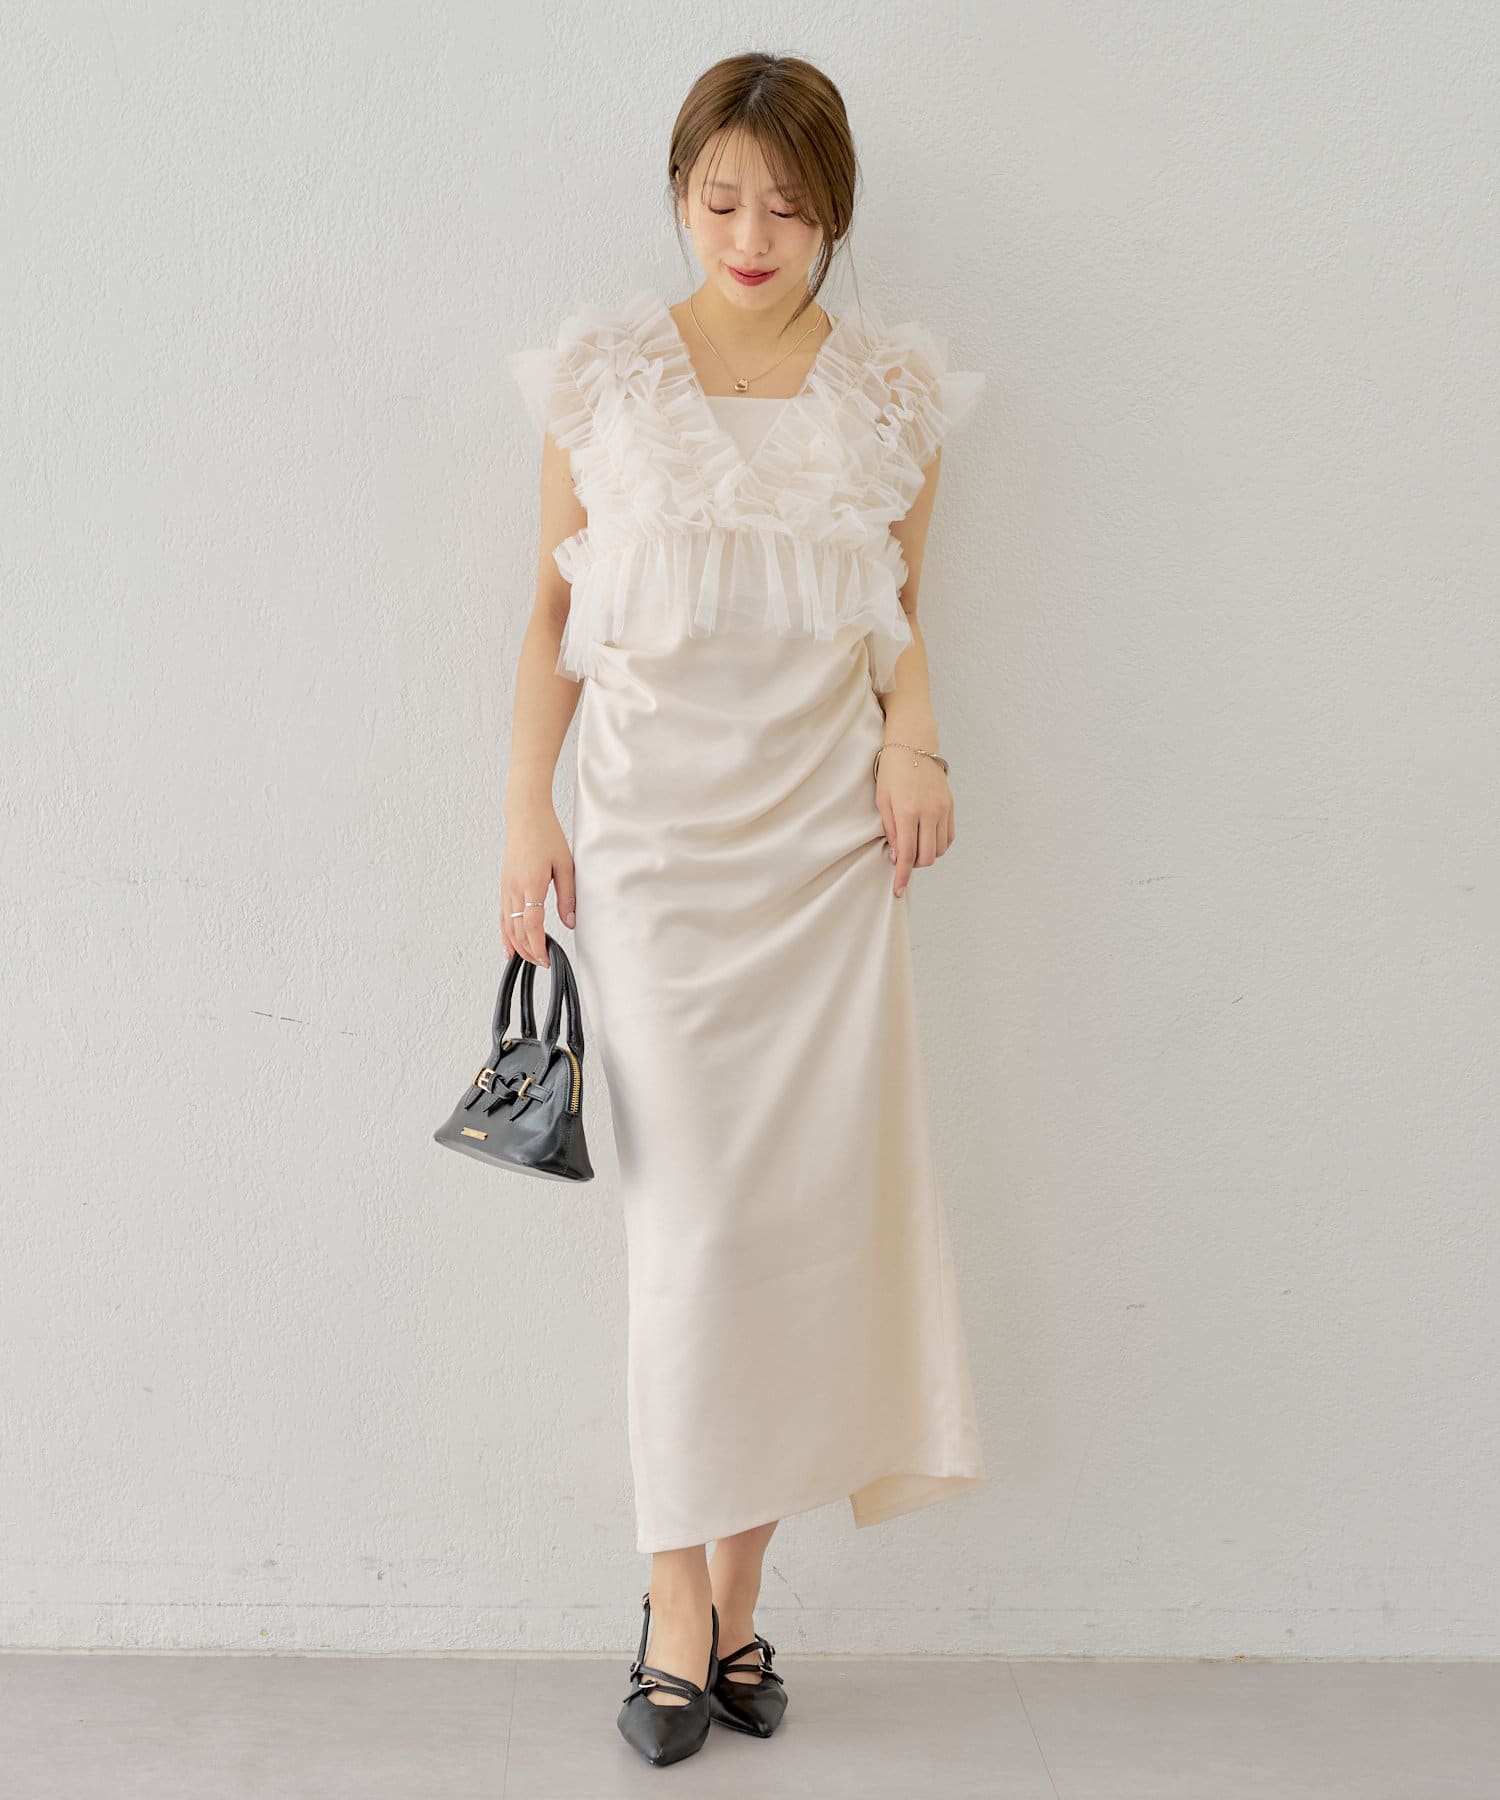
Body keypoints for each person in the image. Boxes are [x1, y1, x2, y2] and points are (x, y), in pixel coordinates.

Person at [501, 51, 988, 1768]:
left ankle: (734, 1595)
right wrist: (523, 817)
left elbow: (901, 612)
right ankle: (670, 1594)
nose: (752, 234)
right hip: (652, 858)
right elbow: (546, 625)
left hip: (825, 863)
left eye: (788, 205)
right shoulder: (603, 378)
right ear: (679, 194)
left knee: (791, 1237)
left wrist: (917, 742)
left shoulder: (891, 396)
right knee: (690, 1237)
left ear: (834, 213)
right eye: (721, 200)